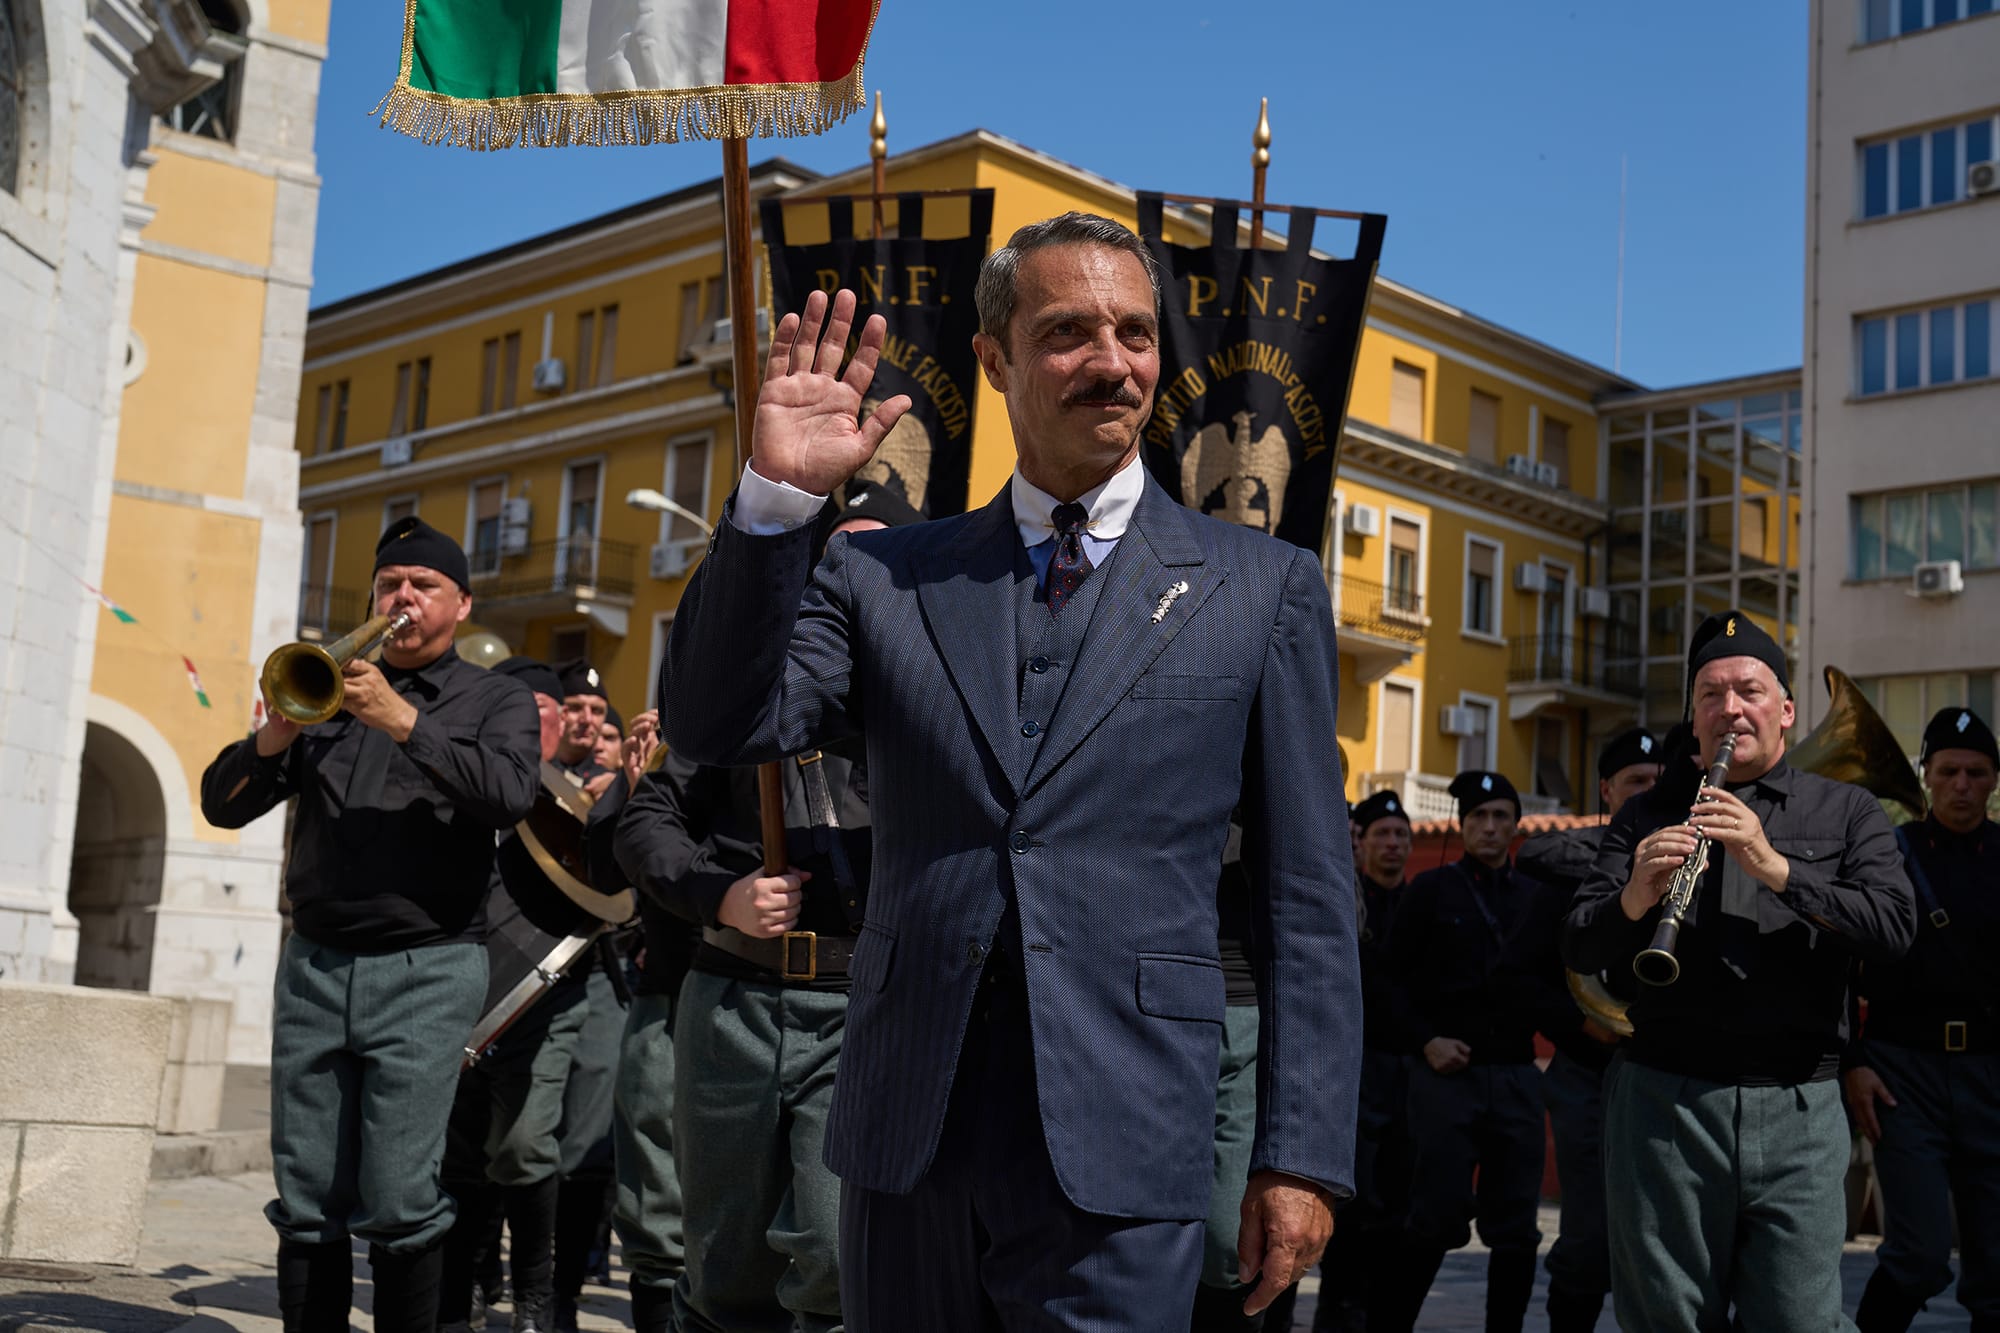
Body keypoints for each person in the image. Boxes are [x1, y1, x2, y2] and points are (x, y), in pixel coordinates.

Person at [660, 212, 1360, 1328]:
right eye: (1068, 332)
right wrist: (775, 500)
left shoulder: (1260, 585)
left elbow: (1309, 898)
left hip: (1127, 1137)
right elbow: (713, 719)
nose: (1112, 363)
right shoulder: (885, 575)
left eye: (1134, 332)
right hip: (907, 1131)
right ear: (993, 359)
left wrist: (1302, 1152)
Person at [199, 517, 541, 1333]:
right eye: (390, 585)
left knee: (398, 1191)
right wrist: (275, 735)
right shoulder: (331, 691)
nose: (403, 600)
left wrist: (402, 719)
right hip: (316, 961)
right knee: (308, 1187)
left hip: (426, 965)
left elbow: (508, 794)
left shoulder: (494, 699)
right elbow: (222, 803)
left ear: (461, 603)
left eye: (422, 587)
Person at [1564, 610, 1916, 1332]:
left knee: (1799, 1318)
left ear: (1786, 710)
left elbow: (1895, 928)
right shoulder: (1643, 813)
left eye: (1750, 691)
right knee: (1667, 1317)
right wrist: (1634, 896)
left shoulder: (1847, 810)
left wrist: (1776, 868)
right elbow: (1577, 947)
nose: (1730, 708)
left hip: (1798, 1104)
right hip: (1663, 1101)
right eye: (1711, 694)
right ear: (1692, 719)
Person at [1385, 770, 1567, 1333]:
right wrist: (1425, 1040)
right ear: (1463, 826)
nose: (1490, 827)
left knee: (1516, 1231)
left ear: (1516, 825)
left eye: (1500, 817)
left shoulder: (1539, 898)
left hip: (1515, 1076)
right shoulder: (1428, 892)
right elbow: (1388, 982)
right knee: (1434, 1219)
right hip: (1445, 1079)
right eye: (1479, 818)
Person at [437, 655, 587, 1333]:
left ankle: (535, 1298)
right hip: (459, 989)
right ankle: (467, 1282)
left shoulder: (583, 803)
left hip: (545, 999)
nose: (525, 727)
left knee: (524, 1145)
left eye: (539, 714)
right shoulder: (469, 785)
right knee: (461, 1154)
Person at [1847, 706, 2000, 1332]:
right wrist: (1852, 1062)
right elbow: (1838, 969)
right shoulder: (1887, 853)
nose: (1962, 784)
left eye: (1976, 772)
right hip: (1903, 1076)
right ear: (1926, 776)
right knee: (1918, 1256)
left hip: (1993, 1076)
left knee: (1996, 1275)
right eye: (1949, 771)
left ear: (1993, 780)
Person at [1514, 728, 1663, 1333]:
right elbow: (1519, 978)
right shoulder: (1564, 870)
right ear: (1607, 790)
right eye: (1636, 784)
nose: (1650, 793)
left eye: (1660, 783)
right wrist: (1584, 1025)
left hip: (1669, 1072)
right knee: (1592, 1239)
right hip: (1589, 1073)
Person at [582, 709, 701, 1333]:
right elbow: (603, 872)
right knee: (655, 1209)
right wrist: (634, 784)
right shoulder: (675, 749)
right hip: (668, 997)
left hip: (780, 992)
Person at [1309, 789, 1415, 1333]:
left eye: (1401, 835)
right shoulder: (1345, 904)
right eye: (1382, 835)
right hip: (1353, 1075)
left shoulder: (1420, 905)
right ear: (1361, 846)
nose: (1393, 844)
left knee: (1399, 1214)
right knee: (1352, 1214)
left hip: (1409, 1080)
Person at [554, 660, 614, 798]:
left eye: (597, 710)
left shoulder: (610, 784)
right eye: (575, 708)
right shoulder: (532, 769)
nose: (587, 719)